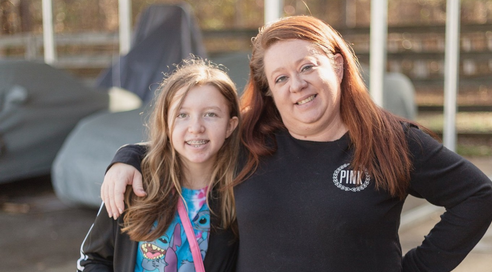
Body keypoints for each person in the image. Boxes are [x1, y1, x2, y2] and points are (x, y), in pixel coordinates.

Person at [101, 16, 492, 271]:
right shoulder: (251, 142)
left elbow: (478, 195)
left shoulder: (390, 141)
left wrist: (417, 269)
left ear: (337, 66)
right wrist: (128, 158)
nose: (298, 85)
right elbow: (191, 140)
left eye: (308, 67)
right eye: (282, 77)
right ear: (269, 89)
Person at [78, 58, 240, 272]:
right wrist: (127, 157)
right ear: (166, 122)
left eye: (211, 114)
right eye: (182, 115)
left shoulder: (241, 193)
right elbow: (93, 259)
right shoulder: (132, 183)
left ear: (230, 126)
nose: (196, 127)